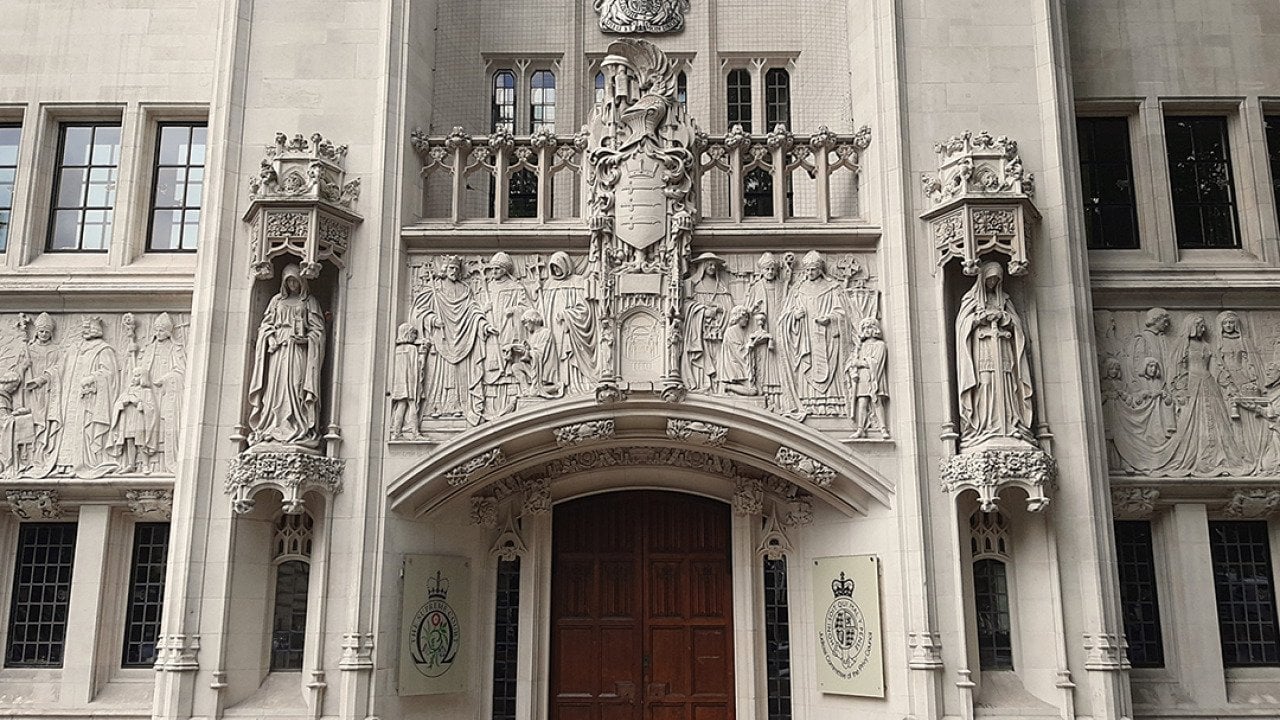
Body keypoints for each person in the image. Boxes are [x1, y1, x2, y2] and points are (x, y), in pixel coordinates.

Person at [954, 261, 1035, 449]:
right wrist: (978, 319)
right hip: (982, 350)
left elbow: (1016, 324)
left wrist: (1005, 318)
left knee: (1007, 385)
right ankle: (984, 426)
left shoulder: (1004, 300)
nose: (992, 283)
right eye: (989, 279)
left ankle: (1010, 423)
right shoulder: (971, 300)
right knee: (986, 383)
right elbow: (962, 326)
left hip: (1003, 349)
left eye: (996, 280)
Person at [247, 265, 326, 449]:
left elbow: (318, 330)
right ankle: (273, 426)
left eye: (295, 281)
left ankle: (298, 425)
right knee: (275, 388)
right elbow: (265, 326)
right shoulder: (276, 301)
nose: (292, 284)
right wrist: (271, 338)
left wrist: (307, 339)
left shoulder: (309, 302)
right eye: (289, 281)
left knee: (296, 385)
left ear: (302, 282)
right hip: (278, 352)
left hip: (298, 351)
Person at [414, 255, 498, 424]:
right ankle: (436, 408)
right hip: (442, 340)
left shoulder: (465, 289)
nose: (454, 271)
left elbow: (473, 311)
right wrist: (432, 320)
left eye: (457, 269)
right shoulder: (435, 289)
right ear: (444, 270)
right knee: (441, 376)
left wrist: (484, 325)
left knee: (461, 376)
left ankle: (461, 407)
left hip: (463, 340)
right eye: (451, 268)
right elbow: (418, 313)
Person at [781, 251, 852, 417]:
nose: (809, 273)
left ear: (820, 270)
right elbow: (785, 316)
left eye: (812, 270)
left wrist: (830, 319)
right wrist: (794, 317)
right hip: (806, 338)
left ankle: (833, 406)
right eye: (806, 270)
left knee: (830, 369)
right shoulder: (798, 289)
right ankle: (809, 405)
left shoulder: (832, 287)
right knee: (809, 367)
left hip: (827, 336)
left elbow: (843, 313)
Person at [54, 316, 120, 474]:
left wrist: (93, 378)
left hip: (89, 398)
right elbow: (60, 368)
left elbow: (109, 374)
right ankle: (64, 464)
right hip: (70, 397)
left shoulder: (103, 349)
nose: (85, 330)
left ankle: (83, 462)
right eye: (83, 328)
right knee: (68, 427)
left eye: (88, 327)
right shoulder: (75, 348)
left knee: (84, 428)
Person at [541, 252, 597, 394]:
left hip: (569, 328)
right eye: (553, 268)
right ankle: (556, 382)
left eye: (559, 266)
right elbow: (542, 310)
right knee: (554, 353)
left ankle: (573, 382)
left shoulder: (577, 282)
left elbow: (584, 309)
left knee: (569, 352)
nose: (556, 270)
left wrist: (567, 315)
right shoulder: (549, 284)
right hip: (552, 328)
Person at [683, 253, 735, 392]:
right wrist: (702, 311)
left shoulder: (722, 287)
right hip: (700, 331)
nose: (712, 267)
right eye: (709, 264)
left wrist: (719, 309)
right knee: (704, 358)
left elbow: (730, 309)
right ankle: (703, 385)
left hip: (718, 331)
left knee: (719, 359)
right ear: (703, 266)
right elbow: (686, 306)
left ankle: (719, 387)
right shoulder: (693, 285)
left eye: (714, 265)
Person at [141, 313, 185, 473]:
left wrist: (167, 378)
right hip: (149, 392)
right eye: (156, 330)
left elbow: (181, 371)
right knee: (145, 422)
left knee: (165, 423)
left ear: (168, 332)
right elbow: (140, 367)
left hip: (167, 392)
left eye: (161, 330)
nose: (157, 334)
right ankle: (146, 461)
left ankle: (163, 462)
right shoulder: (149, 348)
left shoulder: (175, 348)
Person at [110, 367, 159, 473]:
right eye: (134, 375)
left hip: (140, 419)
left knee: (140, 442)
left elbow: (151, 408)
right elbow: (117, 404)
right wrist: (123, 403)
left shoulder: (147, 392)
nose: (134, 378)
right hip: (127, 419)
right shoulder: (127, 391)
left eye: (137, 376)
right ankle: (131, 464)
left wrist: (138, 402)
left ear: (143, 378)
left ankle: (145, 464)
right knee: (129, 441)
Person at [848, 317, 889, 439]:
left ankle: (883, 428)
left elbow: (876, 361)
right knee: (862, 402)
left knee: (877, 401)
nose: (867, 330)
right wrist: (854, 366)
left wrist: (860, 363)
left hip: (875, 376)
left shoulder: (880, 345)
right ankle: (860, 429)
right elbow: (854, 361)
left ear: (875, 329)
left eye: (869, 327)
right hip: (862, 377)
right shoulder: (861, 346)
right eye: (864, 327)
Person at [719, 305, 769, 396]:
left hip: (742, 365)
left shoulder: (741, 330)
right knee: (754, 391)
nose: (747, 320)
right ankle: (728, 387)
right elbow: (738, 351)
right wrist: (753, 344)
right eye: (745, 317)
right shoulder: (731, 331)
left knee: (760, 391)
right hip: (736, 367)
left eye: (747, 317)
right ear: (738, 317)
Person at [389, 322, 424, 438]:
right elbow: (417, 365)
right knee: (413, 405)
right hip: (410, 381)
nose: (415, 336)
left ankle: (396, 433)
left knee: (401, 405)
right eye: (414, 333)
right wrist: (424, 352)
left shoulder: (398, 349)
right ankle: (415, 433)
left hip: (399, 383)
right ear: (408, 334)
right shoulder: (412, 348)